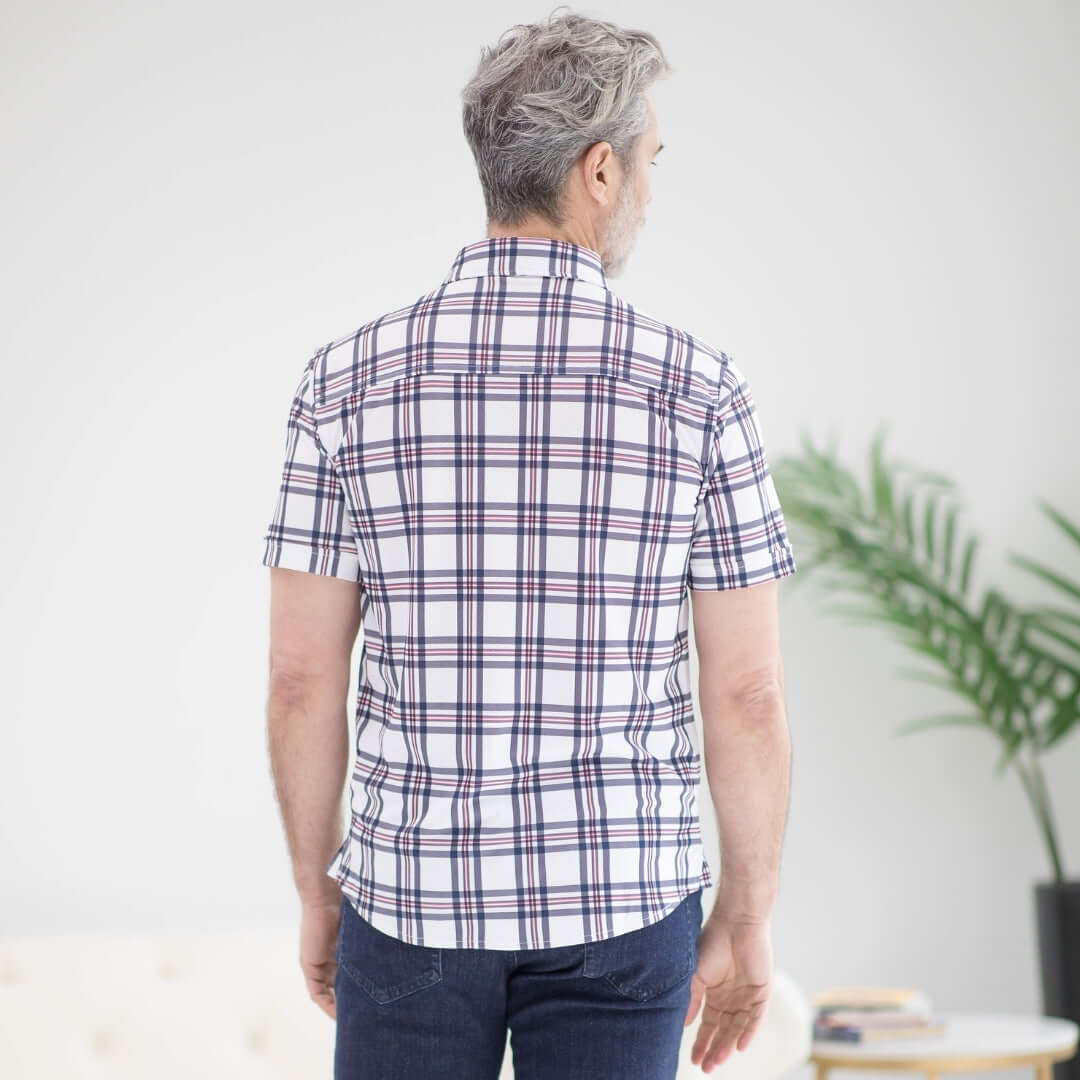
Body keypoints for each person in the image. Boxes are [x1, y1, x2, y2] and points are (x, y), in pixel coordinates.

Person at [260, 7, 796, 1078]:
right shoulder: (698, 387)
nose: (649, 186)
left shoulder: (346, 381)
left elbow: (300, 680)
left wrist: (318, 891)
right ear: (598, 170)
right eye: (649, 161)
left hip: (411, 905)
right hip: (622, 903)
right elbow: (746, 695)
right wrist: (746, 915)